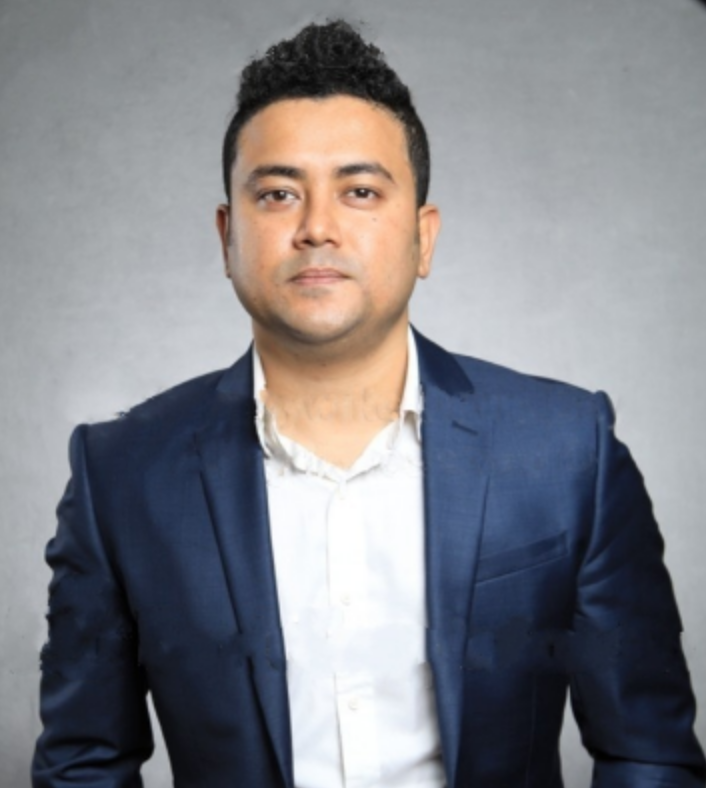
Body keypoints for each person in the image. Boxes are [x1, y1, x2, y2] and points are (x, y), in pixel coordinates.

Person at [32, 18, 705, 788]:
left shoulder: (566, 452)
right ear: (227, 237)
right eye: (278, 194)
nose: (317, 228)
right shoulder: (121, 475)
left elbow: (648, 753)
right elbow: (83, 763)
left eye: (359, 192)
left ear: (424, 238)